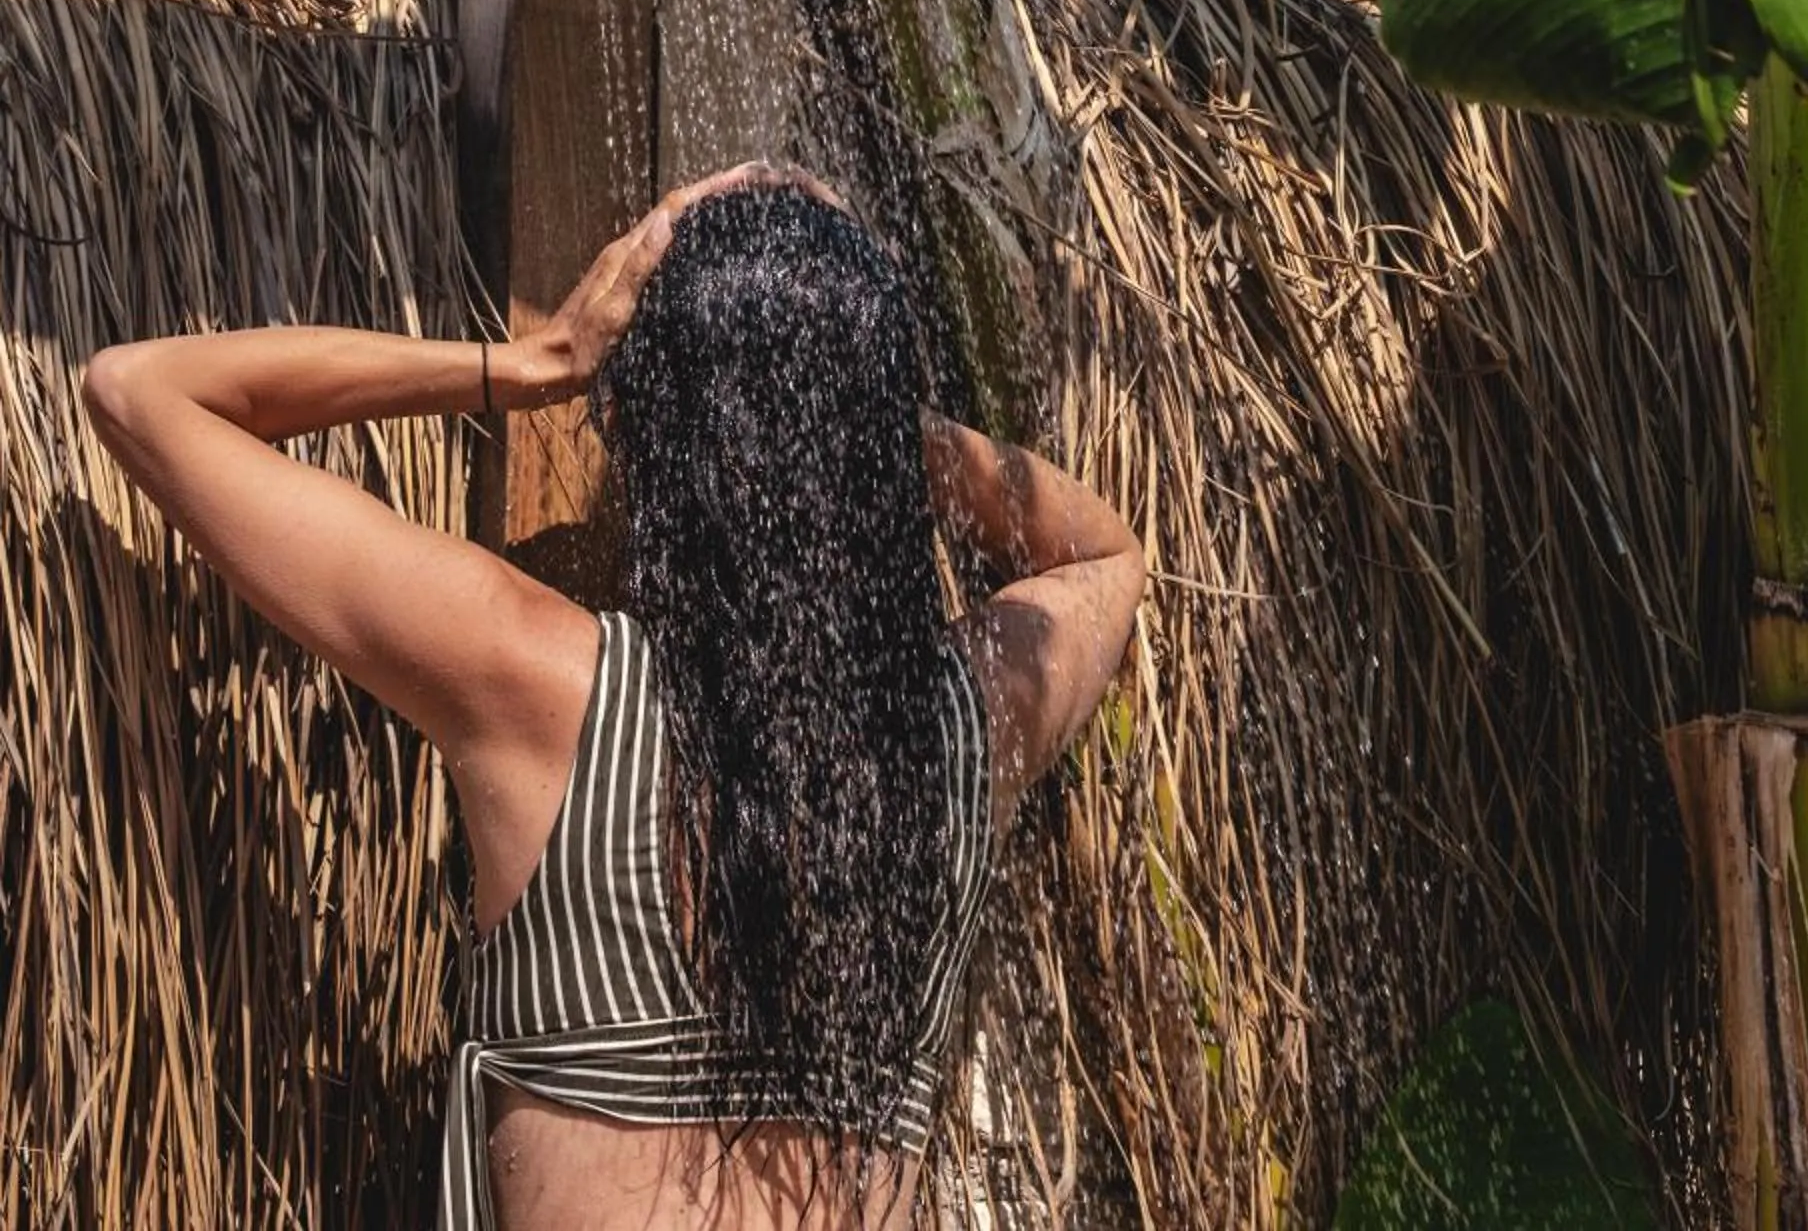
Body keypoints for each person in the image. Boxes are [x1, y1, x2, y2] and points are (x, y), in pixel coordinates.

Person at [81, 161, 1145, 1231]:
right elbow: (1103, 555)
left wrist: (534, 359)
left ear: (651, 421)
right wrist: (839, 404)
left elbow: (140, 392)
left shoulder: (533, 683)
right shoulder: (959, 729)